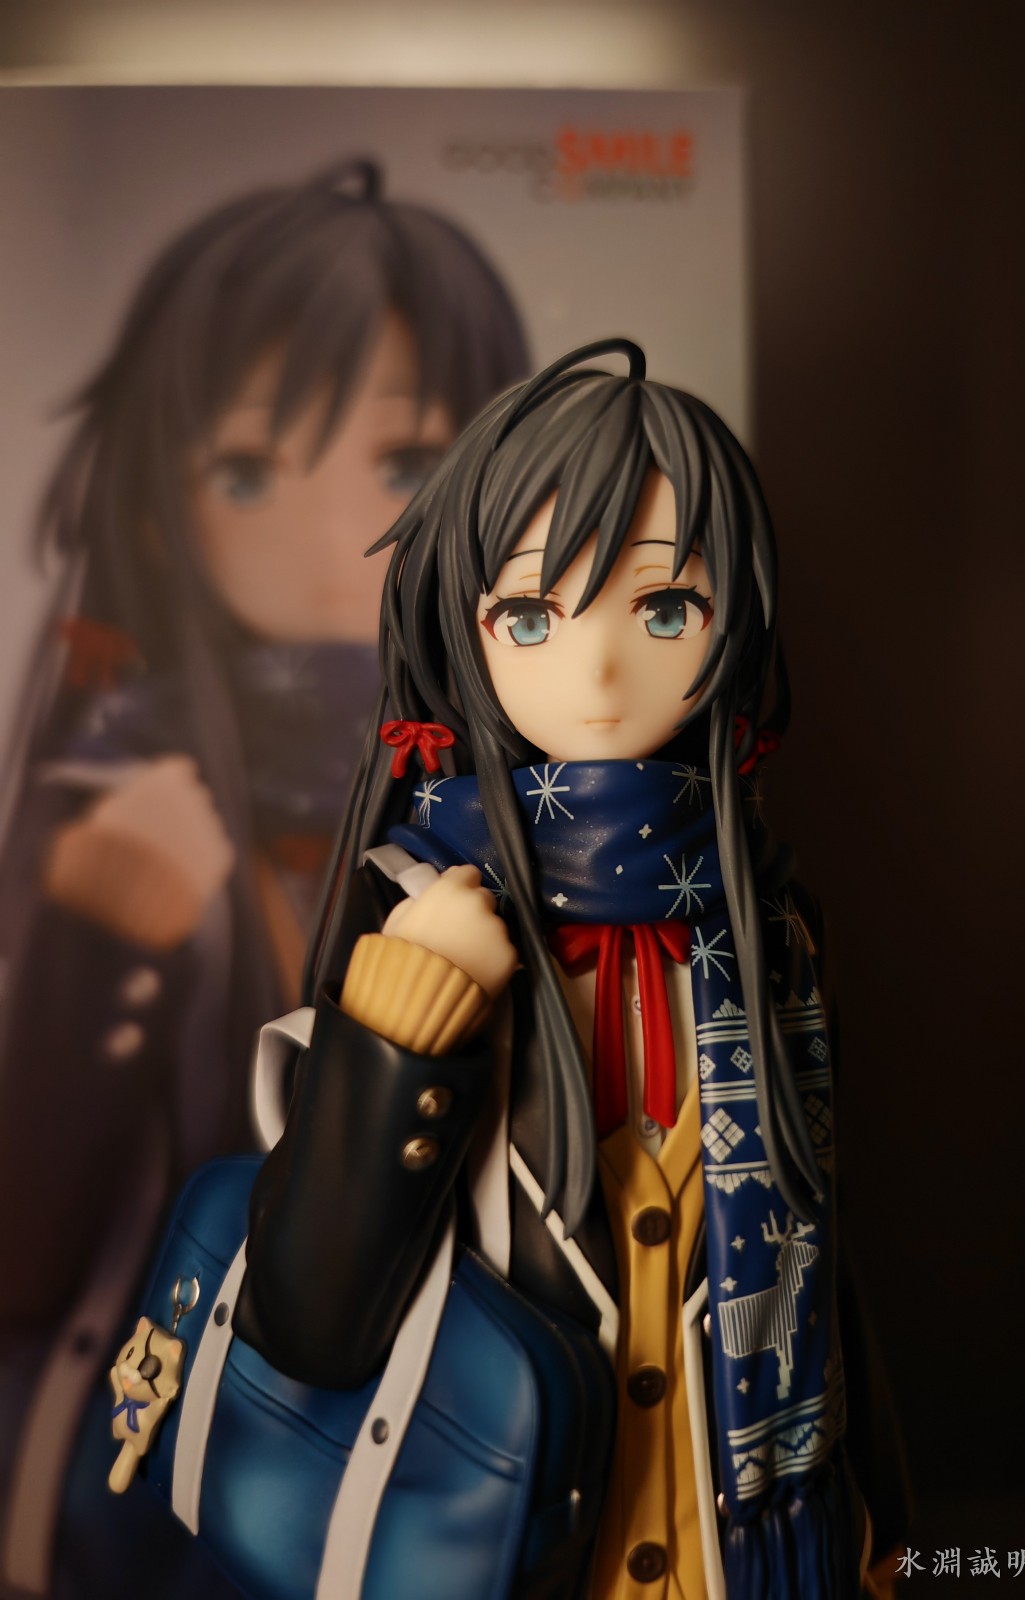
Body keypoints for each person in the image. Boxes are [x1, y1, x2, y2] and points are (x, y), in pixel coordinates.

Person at [237, 339, 907, 1596]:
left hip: (753, 1551)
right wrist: (402, 1026)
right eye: (534, 617)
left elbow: (820, 1248)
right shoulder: (424, 900)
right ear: (465, 626)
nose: (599, 672)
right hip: (515, 1547)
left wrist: (874, 1509)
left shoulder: (767, 920)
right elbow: (307, 1319)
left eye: (665, 609)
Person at [0, 157, 528, 1599]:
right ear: (161, 510)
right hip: (170, 1488)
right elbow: (22, 1258)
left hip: (462, 1464)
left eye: (406, 466)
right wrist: (98, 947)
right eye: (246, 473)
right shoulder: (111, 793)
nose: (331, 540)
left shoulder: (535, 798)